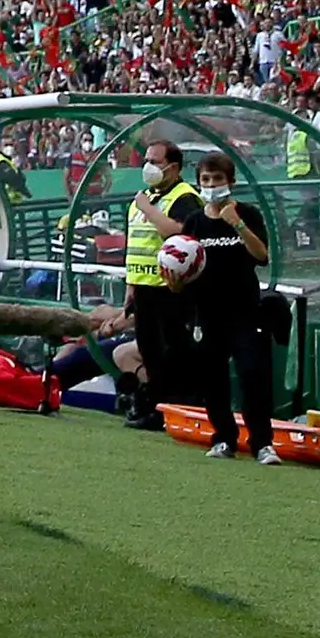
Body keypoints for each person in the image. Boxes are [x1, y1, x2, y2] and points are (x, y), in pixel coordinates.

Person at [173, 147, 277, 459]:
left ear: (230, 181)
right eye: (206, 179)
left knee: (251, 375)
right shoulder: (193, 222)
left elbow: (262, 256)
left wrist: (238, 225)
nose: (211, 184)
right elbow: (182, 268)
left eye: (217, 178)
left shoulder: (247, 214)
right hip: (206, 314)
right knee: (213, 379)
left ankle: (262, 443)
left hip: (244, 312)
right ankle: (224, 438)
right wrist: (175, 280)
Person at [117, 137, 200, 432]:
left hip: (171, 290)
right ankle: (155, 406)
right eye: (147, 161)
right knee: (150, 352)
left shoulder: (183, 197)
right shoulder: (144, 197)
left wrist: (148, 208)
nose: (149, 166)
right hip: (143, 288)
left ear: (174, 167)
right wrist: (131, 286)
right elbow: (135, 244)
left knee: (172, 352)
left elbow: (177, 234)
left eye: (155, 161)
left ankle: (175, 409)